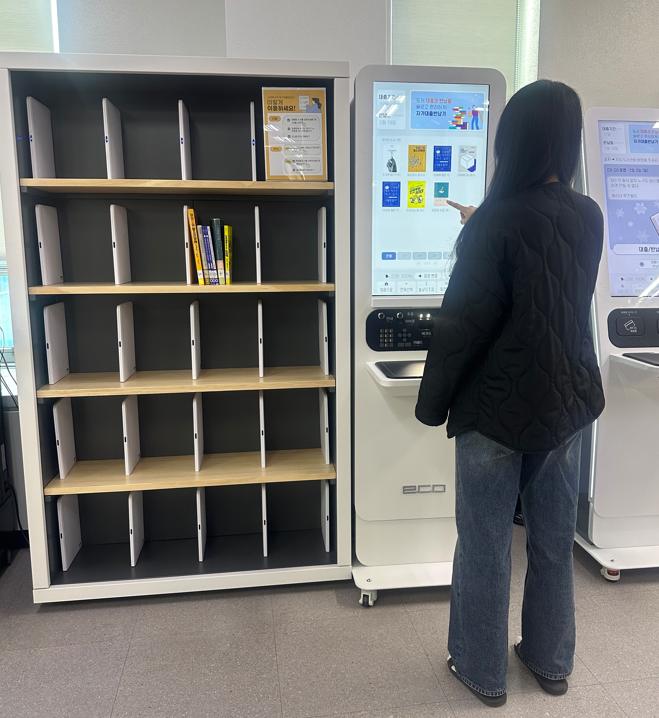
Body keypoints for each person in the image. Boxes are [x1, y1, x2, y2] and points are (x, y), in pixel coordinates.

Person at [415, 80, 605, 708]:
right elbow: (547, 276)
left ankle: (481, 670)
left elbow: (461, 327)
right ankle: (550, 662)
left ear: (513, 141)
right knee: (552, 540)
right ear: (567, 142)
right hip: (565, 404)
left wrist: (431, 403)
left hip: (494, 411)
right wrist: (485, 228)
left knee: (486, 545)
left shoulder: (495, 222)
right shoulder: (589, 215)